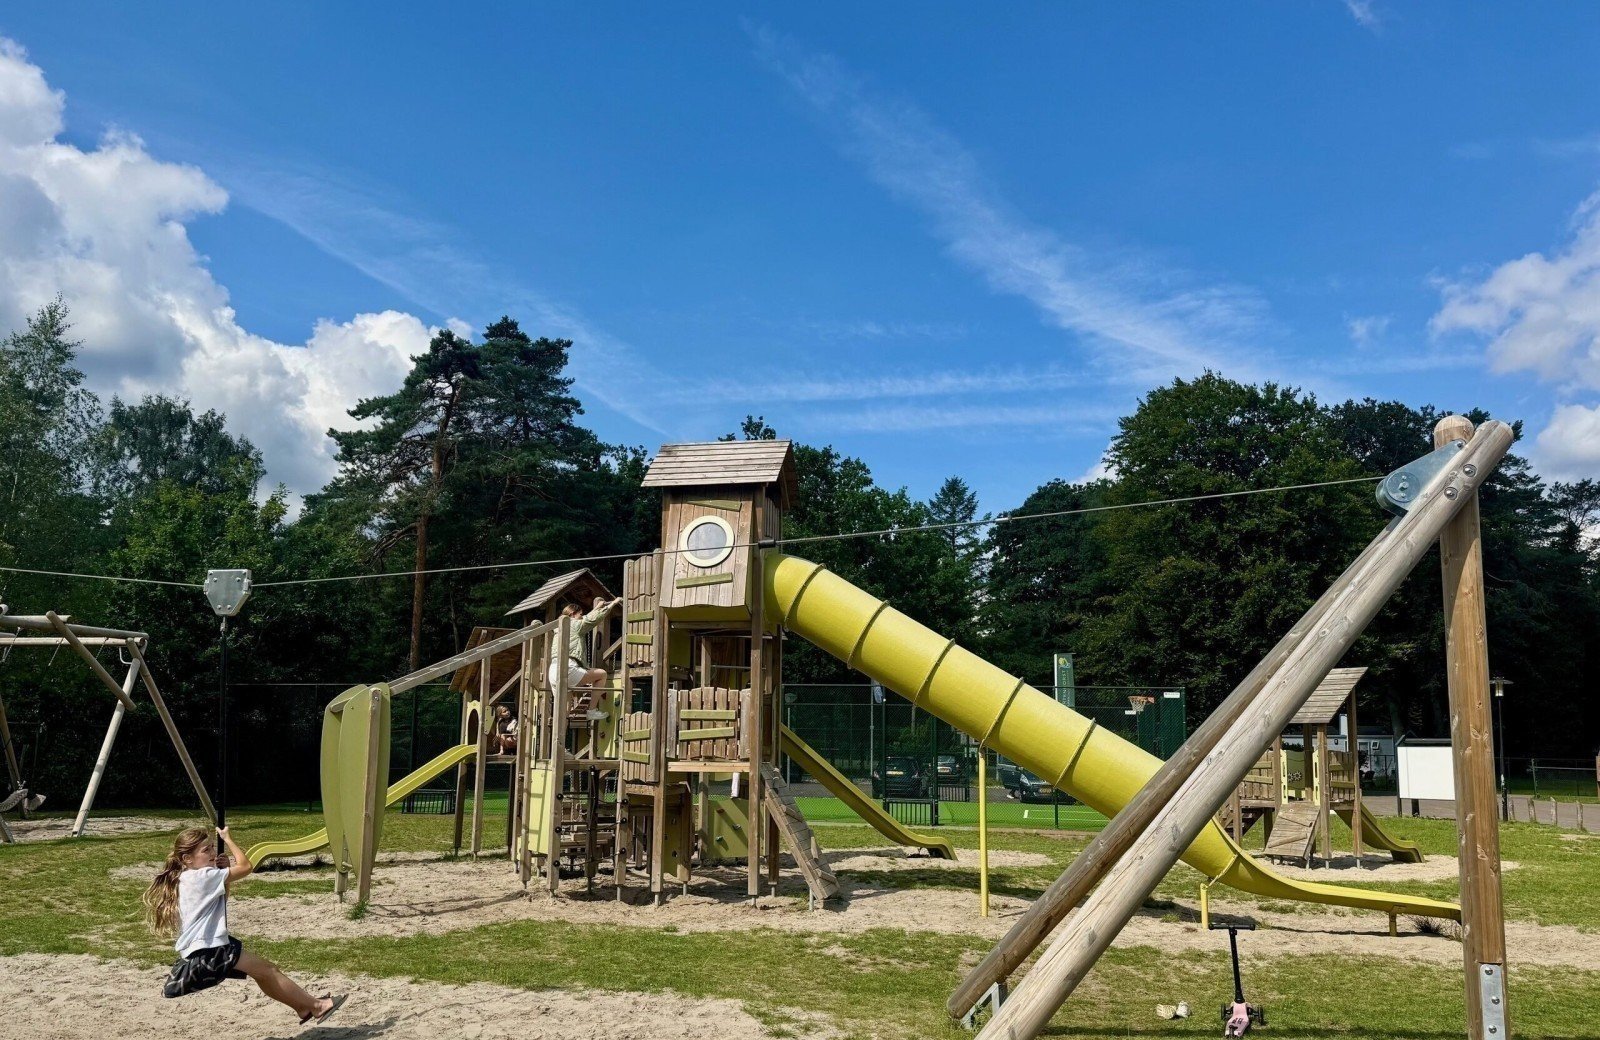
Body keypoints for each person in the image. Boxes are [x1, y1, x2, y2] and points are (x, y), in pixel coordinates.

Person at [144, 825, 342, 1024]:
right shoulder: (203, 876)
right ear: (187, 858)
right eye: (206, 850)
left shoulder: (186, 878)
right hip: (211, 948)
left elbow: (222, 899)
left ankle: (303, 1007)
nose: (213, 853)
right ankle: (317, 1006)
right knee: (268, 971)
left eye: (213, 847)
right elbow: (246, 867)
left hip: (206, 947)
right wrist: (228, 839)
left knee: (263, 973)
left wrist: (223, 871)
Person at [547, 596, 622, 695]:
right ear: (572, 614)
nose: (582, 616)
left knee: (565, 702)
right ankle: (593, 706)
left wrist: (596, 607)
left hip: (553, 671)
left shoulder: (560, 627)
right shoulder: (575, 625)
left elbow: (586, 618)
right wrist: (614, 603)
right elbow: (594, 618)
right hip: (568, 669)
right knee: (602, 674)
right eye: (580, 614)